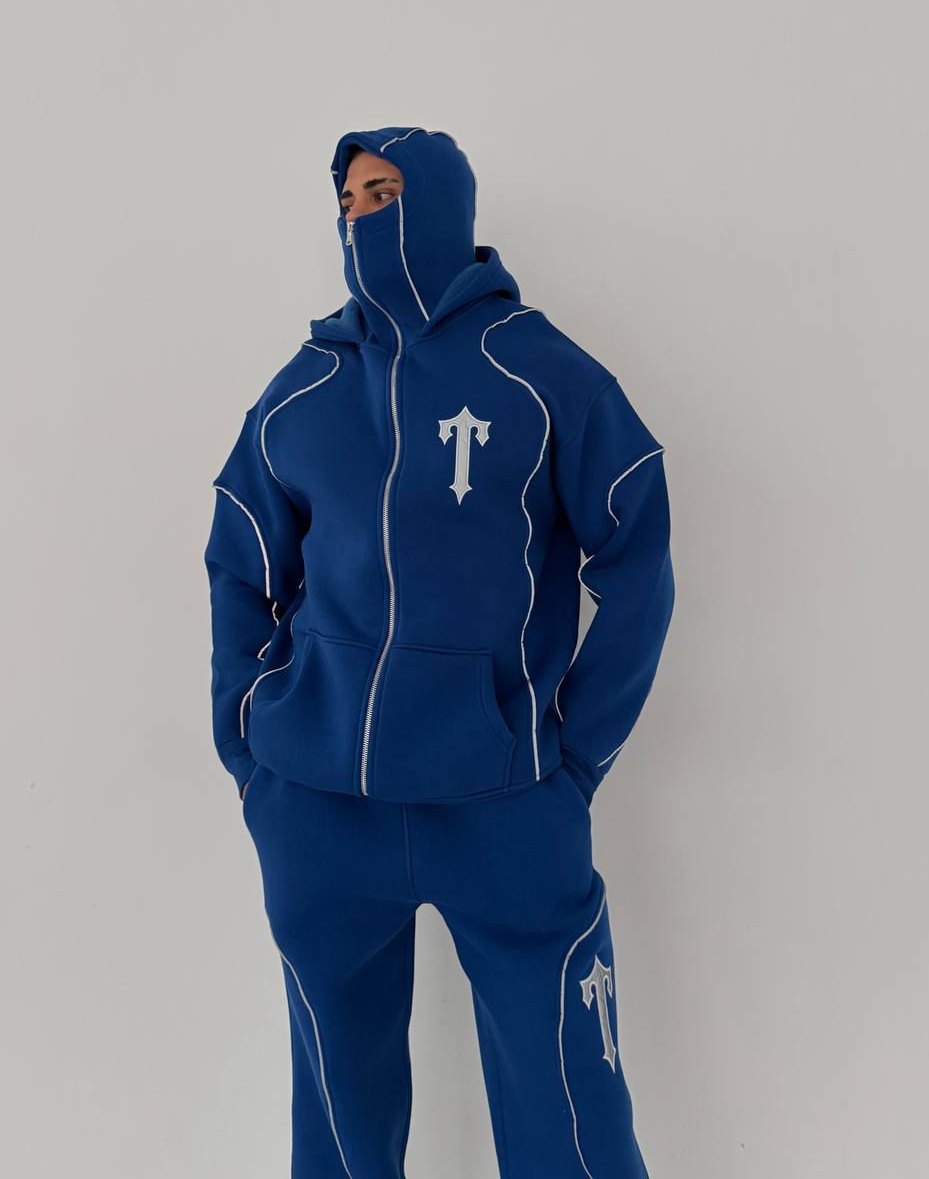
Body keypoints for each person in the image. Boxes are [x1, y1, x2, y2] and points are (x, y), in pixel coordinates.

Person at [203, 125, 675, 1178]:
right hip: (319, 805)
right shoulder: (304, 385)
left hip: (502, 802)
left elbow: (636, 552)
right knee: (339, 1128)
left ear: (446, 206)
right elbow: (239, 559)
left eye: (383, 194)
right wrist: (247, 746)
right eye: (347, 202)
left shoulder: (538, 371)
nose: (361, 218)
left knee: (568, 1111)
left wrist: (574, 754)